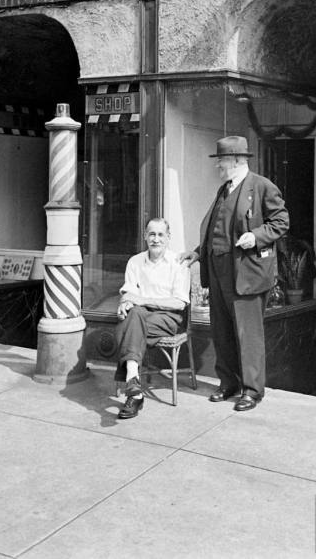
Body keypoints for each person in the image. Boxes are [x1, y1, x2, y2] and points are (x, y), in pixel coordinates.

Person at [180, 135, 289, 411]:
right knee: (223, 332)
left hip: (246, 274)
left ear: (238, 161)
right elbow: (217, 229)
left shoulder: (261, 186)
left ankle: (252, 390)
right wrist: (197, 252)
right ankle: (229, 383)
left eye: (221, 161)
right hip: (218, 273)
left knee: (248, 334)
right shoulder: (225, 190)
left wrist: (256, 236)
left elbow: (281, 221)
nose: (217, 167)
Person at [114, 217, 191, 420]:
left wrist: (140, 300)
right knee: (134, 315)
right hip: (142, 316)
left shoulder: (178, 263)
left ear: (168, 238)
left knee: (128, 324)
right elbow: (129, 293)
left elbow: (179, 303)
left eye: (160, 235)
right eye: (151, 234)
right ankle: (135, 389)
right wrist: (124, 303)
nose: (155, 239)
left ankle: (132, 381)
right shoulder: (135, 261)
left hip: (168, 318)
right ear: (144, 237)